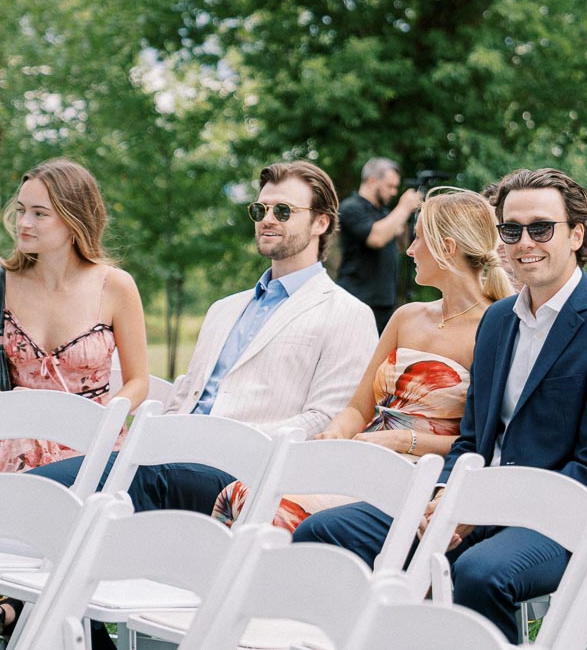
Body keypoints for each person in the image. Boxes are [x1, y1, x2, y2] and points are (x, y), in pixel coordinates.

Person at [293, 167, 587, 642]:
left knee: (480, 573)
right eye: (512, 230)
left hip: (566, 516)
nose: (525, 242)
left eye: (541, 228)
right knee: (323, 531)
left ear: (576, 235)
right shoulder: (498, 320)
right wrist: (446, 494)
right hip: (471, 498)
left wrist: (480, 507)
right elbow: (471, 440)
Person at [31, 160, 376, 514]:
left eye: (284, 211)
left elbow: (326, 419)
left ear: (321, 222)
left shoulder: (348, 314)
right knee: (77, 482)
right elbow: (186, 395)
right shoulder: (224, 309)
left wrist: (221, 444)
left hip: (246, 472)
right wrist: (161, 439)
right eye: (260, 210)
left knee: (76, 485)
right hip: (171, 458)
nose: (268, 219)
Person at [211, 187, 513, 530]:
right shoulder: (406, 317)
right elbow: (358, 408)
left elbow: (484, 443)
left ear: (447, 248)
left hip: (413, 475)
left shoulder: (494, 327)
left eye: (418, 238)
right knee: (240, 493)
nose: (409, 250)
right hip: (359, 456)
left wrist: (402, 440)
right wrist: (335, 434)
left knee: (278, 512)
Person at [0, 158, 150, 649]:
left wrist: (104, 419)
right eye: (21, 210)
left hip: (89, 444)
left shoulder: (115, 286)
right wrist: (5, 405)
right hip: (10, 442)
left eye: (40, 214)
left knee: (73, 547)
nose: (24, 223)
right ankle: (4, 616)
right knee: (31, 544)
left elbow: (139, 381)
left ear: (74, 219)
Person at [335, 157, 423, 332]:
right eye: (390, 186)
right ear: (372, 181)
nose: (394, 192)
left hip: (384, 303)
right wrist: (404, 207)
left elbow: (402, 245)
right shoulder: (351, 207)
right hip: (357, 300)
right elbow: (376, 238)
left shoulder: (384, 213)